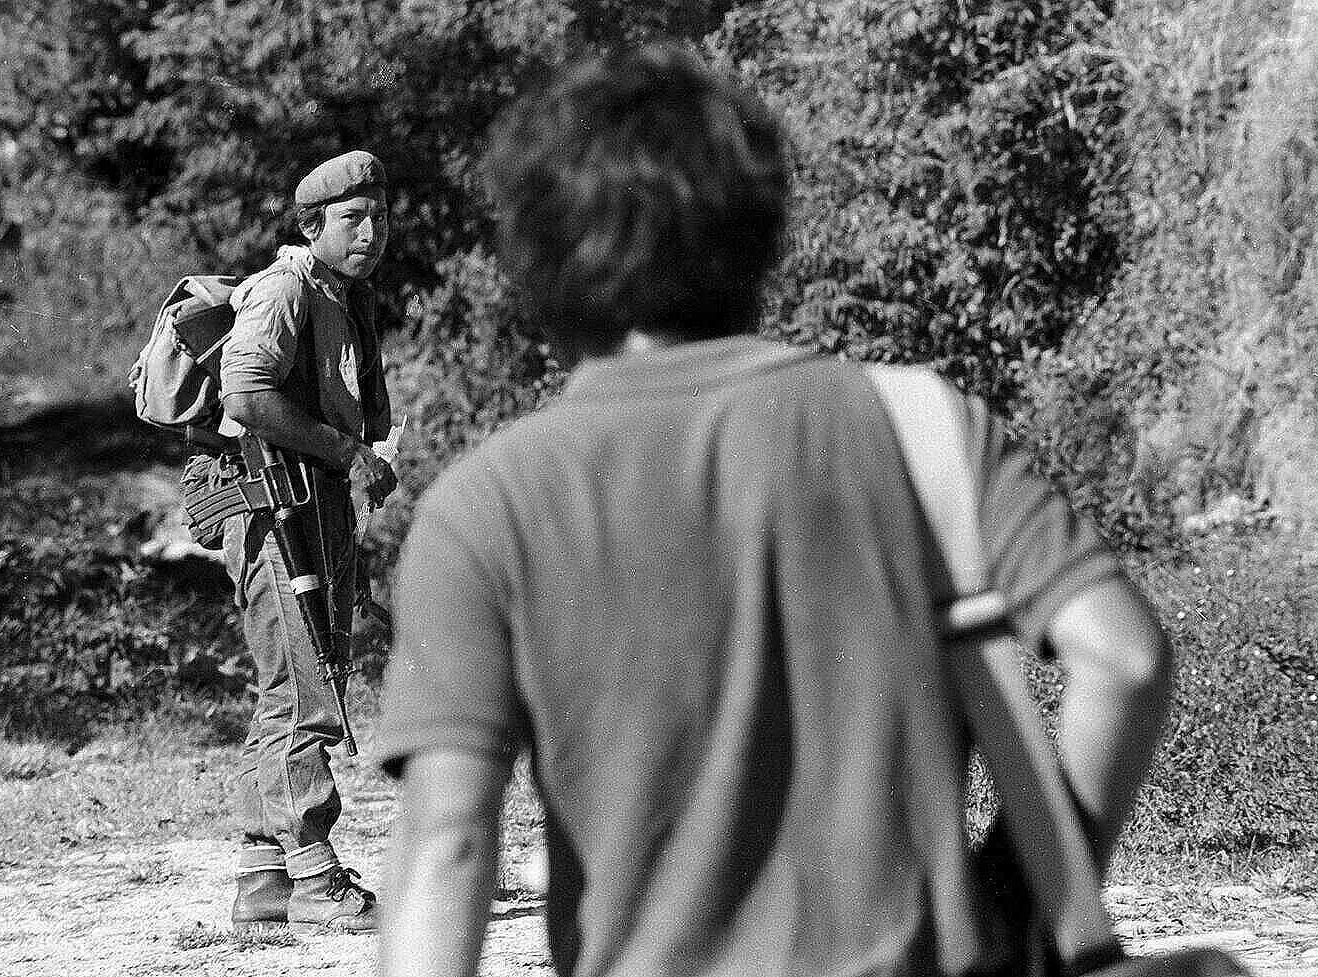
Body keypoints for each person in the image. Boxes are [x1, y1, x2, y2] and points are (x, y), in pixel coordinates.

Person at [375, 47, 1173, 977]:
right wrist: (1013, 898)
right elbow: (1122, 658)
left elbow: (447, 841)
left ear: (534, 260)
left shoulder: (484, 506)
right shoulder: (920, 425)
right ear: (758, 234)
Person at [216, 149, 398, 934]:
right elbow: (244, 393)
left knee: (288, 684)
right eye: (351, 218)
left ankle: (264, 879)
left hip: (312, 510)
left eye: (378, 216)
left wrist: (355, 468)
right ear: (312, 225)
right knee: (305, 689)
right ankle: (318, 879)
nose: (369, 231)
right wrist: (346, 451)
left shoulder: (343, 298)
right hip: (271, 512)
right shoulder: (286, 289)